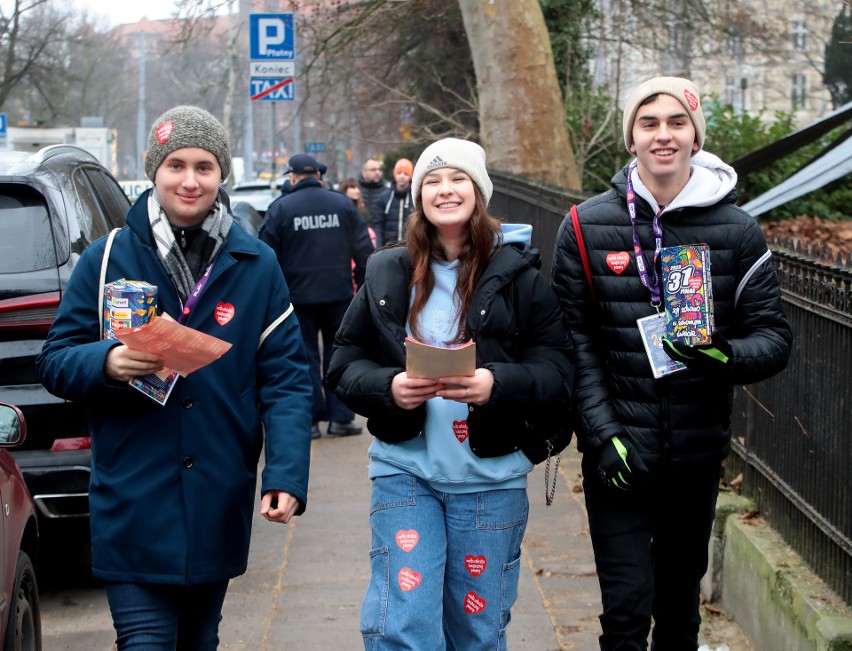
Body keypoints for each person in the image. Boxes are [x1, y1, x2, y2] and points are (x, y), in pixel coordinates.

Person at [36, 105, 313, 649]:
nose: (190, 180)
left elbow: (286, 381)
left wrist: (285, 475)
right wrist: (107, 362)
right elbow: (54, 361)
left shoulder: (256, 263)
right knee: (144, 642)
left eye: (204, 167)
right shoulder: (106, 257)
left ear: (221, 175)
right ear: (154, 171)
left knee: (199, 641)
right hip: (134, 494)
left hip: (217, 492)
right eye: (176, 165)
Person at [551, 77, 792, 650]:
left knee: (680, 612)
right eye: (648, 123)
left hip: (695, 452)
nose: (664, 135)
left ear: (695, 136)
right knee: (626, 614)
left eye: (676, 123)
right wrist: (603, 434)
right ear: (631, 137)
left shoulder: (735, 230)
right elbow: (575, 343)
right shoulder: (584, 226)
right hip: (619, 456)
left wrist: (722, 357)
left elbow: (774, 338)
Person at [327, 138, 574, 649]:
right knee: (404, 623)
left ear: (479, 191)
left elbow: (558, 372)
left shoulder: (520, 278)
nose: (445, 189)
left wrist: (495, 384)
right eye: (432, 181)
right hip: (405, 470)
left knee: (477, 631)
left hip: (489, 477)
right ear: (418, 197)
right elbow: (344, 365)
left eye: (458, 178)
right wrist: (390, 388)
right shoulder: (385, 271)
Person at [260, 153, 374, 439]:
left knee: (303, 358)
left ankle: (309, 422)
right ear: (319, 176)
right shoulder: (342, 205)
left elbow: (264, 255)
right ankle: (340, 418)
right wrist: (362, 287)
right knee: (340, 355)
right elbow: (363, 250)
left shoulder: (280, 208)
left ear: (293, 177)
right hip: (338, 295)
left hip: (295, 298)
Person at [375, 157, 414, 246]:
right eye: (399, 173)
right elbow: (379, 225)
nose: (402, 176)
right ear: (394, 174)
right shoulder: (384, 197)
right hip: (388, 247)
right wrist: (379, 247)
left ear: (410, 176)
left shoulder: (415, 197)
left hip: (411, 246)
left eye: (406, 173)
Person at [358, 157, 387, 225]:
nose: (377, 172)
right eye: (373, 170)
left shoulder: (386, 192)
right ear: (364, 173)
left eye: (379, 169)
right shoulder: (356, 190)